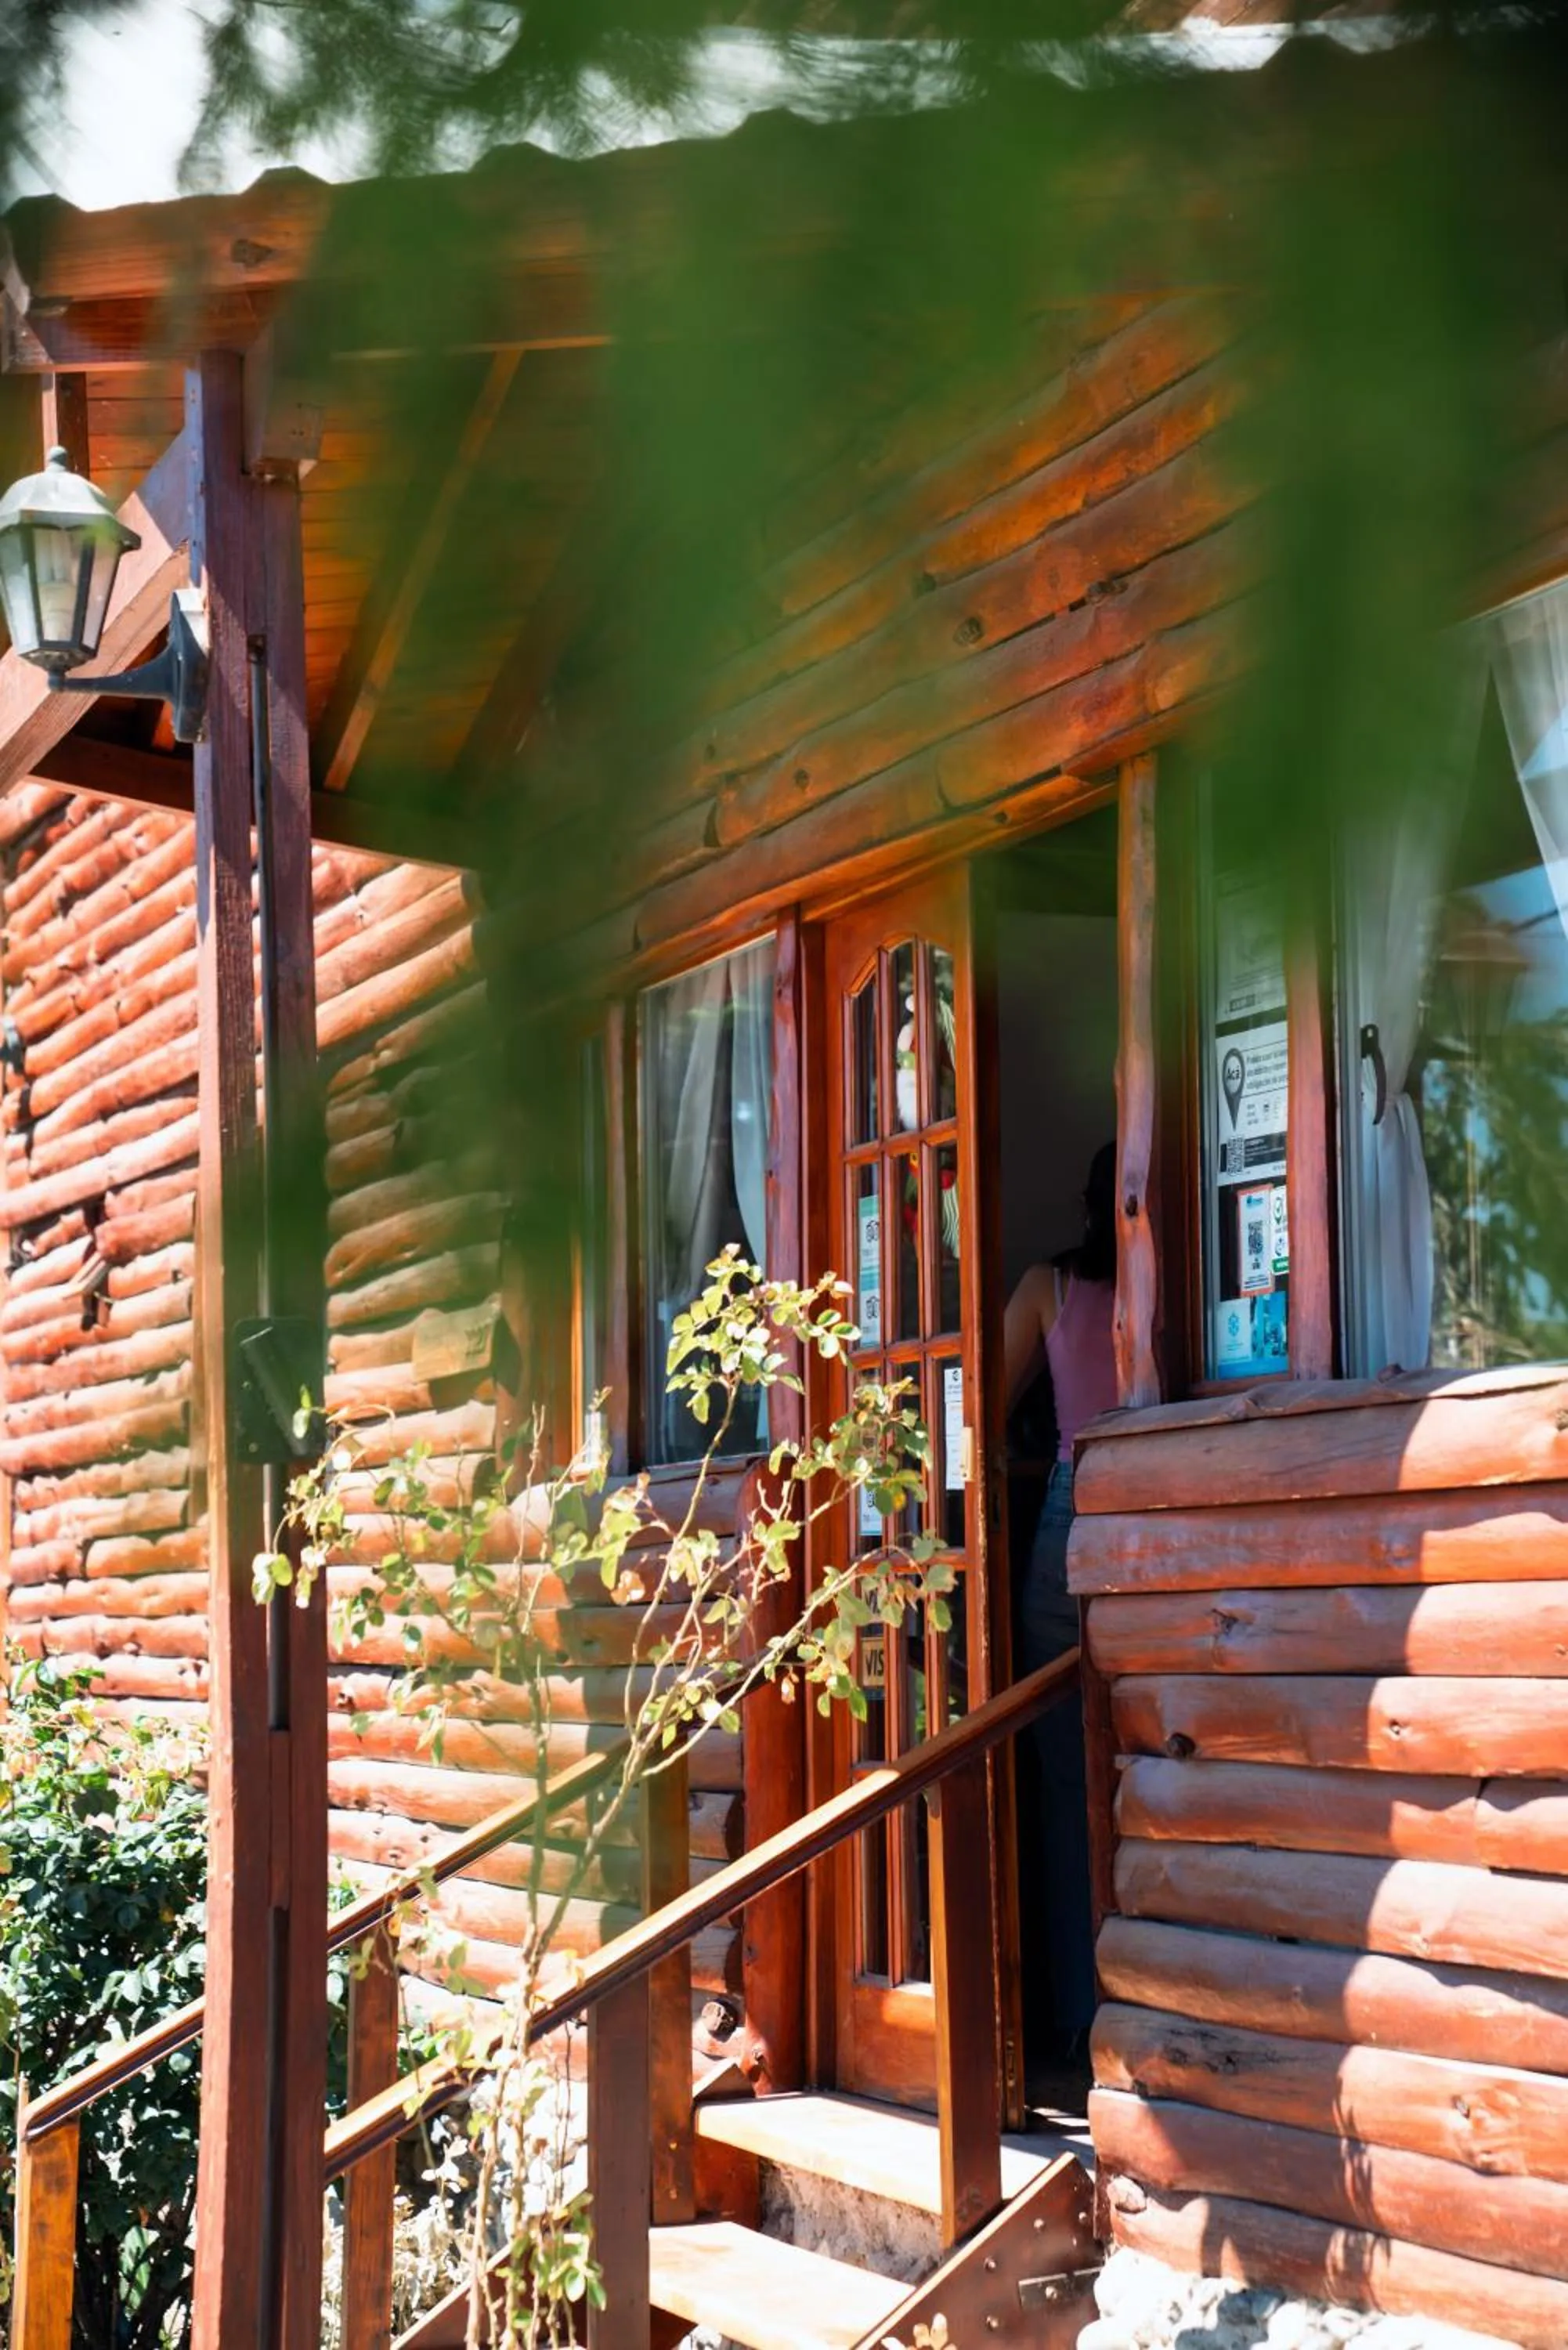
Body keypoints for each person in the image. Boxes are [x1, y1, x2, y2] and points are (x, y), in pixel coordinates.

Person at [1003, 1139, 1117, 2070]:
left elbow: (976, 1399)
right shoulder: (1184, 1274)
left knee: (1061, 1768)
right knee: (1153, 1764)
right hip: (1163, 1503)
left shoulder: (1052, 1285)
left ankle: (1081, 2014)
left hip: (1072, 1507)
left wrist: (1005, 1469)